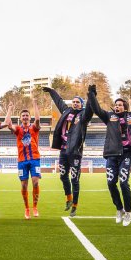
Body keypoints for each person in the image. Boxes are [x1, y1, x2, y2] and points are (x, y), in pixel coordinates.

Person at [87, 84, 131, 226]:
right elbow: (96, 109)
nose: (117, 107)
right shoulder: (109, 117)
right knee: (111, 183)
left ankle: (128, 212)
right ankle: (119, 209)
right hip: (111, 154)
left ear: (125, 107)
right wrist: (91, 93)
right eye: (116, 105)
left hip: (126, 154)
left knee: (123, 182)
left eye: (120, 105)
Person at [42, 86, 93, 217]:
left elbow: (90, 110)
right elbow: (59, 101)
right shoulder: (66, 111)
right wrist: (52, 91)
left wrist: (92, 94)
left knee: (74, 179)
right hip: (64, 150)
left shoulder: (84, 115)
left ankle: (75, 206)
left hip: (75, 152)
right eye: (74, 102)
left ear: (82, 104)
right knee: (63, 176)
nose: (75, 103)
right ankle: (68, 199)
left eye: (78, 102)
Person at [4, 99, 42, 220]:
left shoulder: (34, 128)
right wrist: (10, 108)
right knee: (24, 186)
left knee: (35, 182)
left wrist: (35, 105)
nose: (25, 117)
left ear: (29, 118)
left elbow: (38, 120)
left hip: (35, 159)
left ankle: (34, 207)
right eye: (23, 116)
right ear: (20, 118)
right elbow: (9, 125)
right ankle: (27, 208)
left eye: (27, 115)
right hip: (22, 161)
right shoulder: (18, 129)